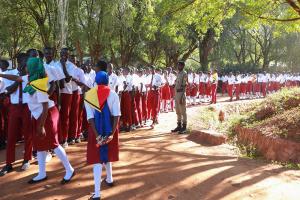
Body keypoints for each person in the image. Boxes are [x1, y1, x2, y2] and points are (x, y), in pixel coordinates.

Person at [0, 57, 75, 184]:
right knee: (39, 145)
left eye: (28, 65)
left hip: (47, 115)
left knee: (54, 144)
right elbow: (16, 78)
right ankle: (42, 173)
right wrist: (1, 74)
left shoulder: (39, 83)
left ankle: (70, 169)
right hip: (38, 115)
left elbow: (45, 105)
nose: (25, 67)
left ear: (33, 67)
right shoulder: (30, 78)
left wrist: (41, 126)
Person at [84, 70, 121, 200]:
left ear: (95, 81)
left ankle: (97, 193)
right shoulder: (113, 94)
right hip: (110, 128)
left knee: (97, 160)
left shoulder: (89, 95)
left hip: (96, 130)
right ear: (107, 81)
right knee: (108, 154)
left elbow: (90, 118)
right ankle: (109, 179)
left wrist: (97, 135)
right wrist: (111, 133)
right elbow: (116, 115)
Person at [0, 54, 33, 176]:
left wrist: (23, 77)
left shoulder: (31, 74)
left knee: (28, 133)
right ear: (18, 61)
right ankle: (8, 163)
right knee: (11, 135)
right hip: (14, 106)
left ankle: (26, 159)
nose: (25, 63)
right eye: (23, 61)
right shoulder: (11, 73)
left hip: (27, 106)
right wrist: (18, 78)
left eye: (27, 61)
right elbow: (8, 90)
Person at [171, 61, 187, 134]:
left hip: (181, 93)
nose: (178, 67)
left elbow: (184, 85)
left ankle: (184, 127)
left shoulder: (184, 74)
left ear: (183, 66)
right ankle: (179, 126)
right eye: (178, 65)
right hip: (176, 93)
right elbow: (177, 83)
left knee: (183, 111)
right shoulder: (178, 74)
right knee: (178, 111)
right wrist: (174, 85)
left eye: (179, 66)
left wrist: (182, 96)